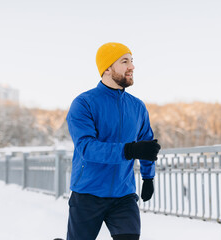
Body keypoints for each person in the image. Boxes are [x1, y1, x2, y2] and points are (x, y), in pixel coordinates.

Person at [66, 42, 161, 240]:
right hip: (88, 193)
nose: (132, 67)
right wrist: (129, 150)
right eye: (124, 61)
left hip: (123, 194)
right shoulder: (84, 103)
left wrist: (148, 178)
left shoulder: (137, 107)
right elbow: (87, 148)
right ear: (107, 68)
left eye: (132, 61)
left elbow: (147, 146)